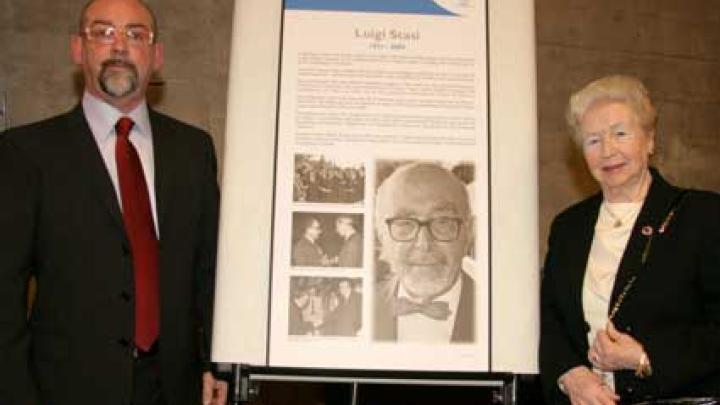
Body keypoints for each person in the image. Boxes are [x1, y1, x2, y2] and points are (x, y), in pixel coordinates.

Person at [0, 0, 227, 404]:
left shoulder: (193, 150)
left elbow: (209, 271)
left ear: (156, 56)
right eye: (103, 32)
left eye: (135, 35)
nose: (119, 46)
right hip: (65, 389)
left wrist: (216, 363)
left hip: (175, 388)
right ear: (77, 49)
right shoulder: (26, 153)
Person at [539, 75, 720, 404]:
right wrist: (571, 375)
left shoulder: (703, 216)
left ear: (649, 140)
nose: (608, 151)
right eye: (593, 140)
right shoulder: (568, 227)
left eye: (620, 134)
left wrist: (645, 358)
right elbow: (551, 323)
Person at [373, 162, 475, 343]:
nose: (423, 244)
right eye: (404, 223)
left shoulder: (501, 311)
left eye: (443, 222)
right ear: (381, 235)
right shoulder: (361, 306)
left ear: (469, 232)